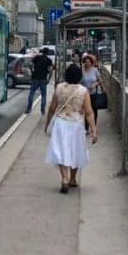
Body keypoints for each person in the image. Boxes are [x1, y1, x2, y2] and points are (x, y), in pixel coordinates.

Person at [44, 63, 97, 192]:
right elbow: (89, 112)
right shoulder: (83, 91)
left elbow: (52, 108)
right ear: (79, 77)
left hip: (61, 123)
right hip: (76, 124)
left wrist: (47, 124)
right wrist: (94, 130)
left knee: (61, 151)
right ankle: (73, 178)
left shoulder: (59, 88)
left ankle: (64, 178)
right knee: (75, 151)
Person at [80, 53, 103, 121]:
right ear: (84, 62)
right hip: (84, 94)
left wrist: (94, 85)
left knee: (94, 110)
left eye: (89, 62)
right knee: (86, 110)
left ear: (91, 62)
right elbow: (79, 82)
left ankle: (94, 125)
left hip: (93, 94)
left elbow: (100, 81)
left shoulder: (95, 70)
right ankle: (86, 127)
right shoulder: (81, 71)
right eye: (86, 62)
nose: (88, 63)